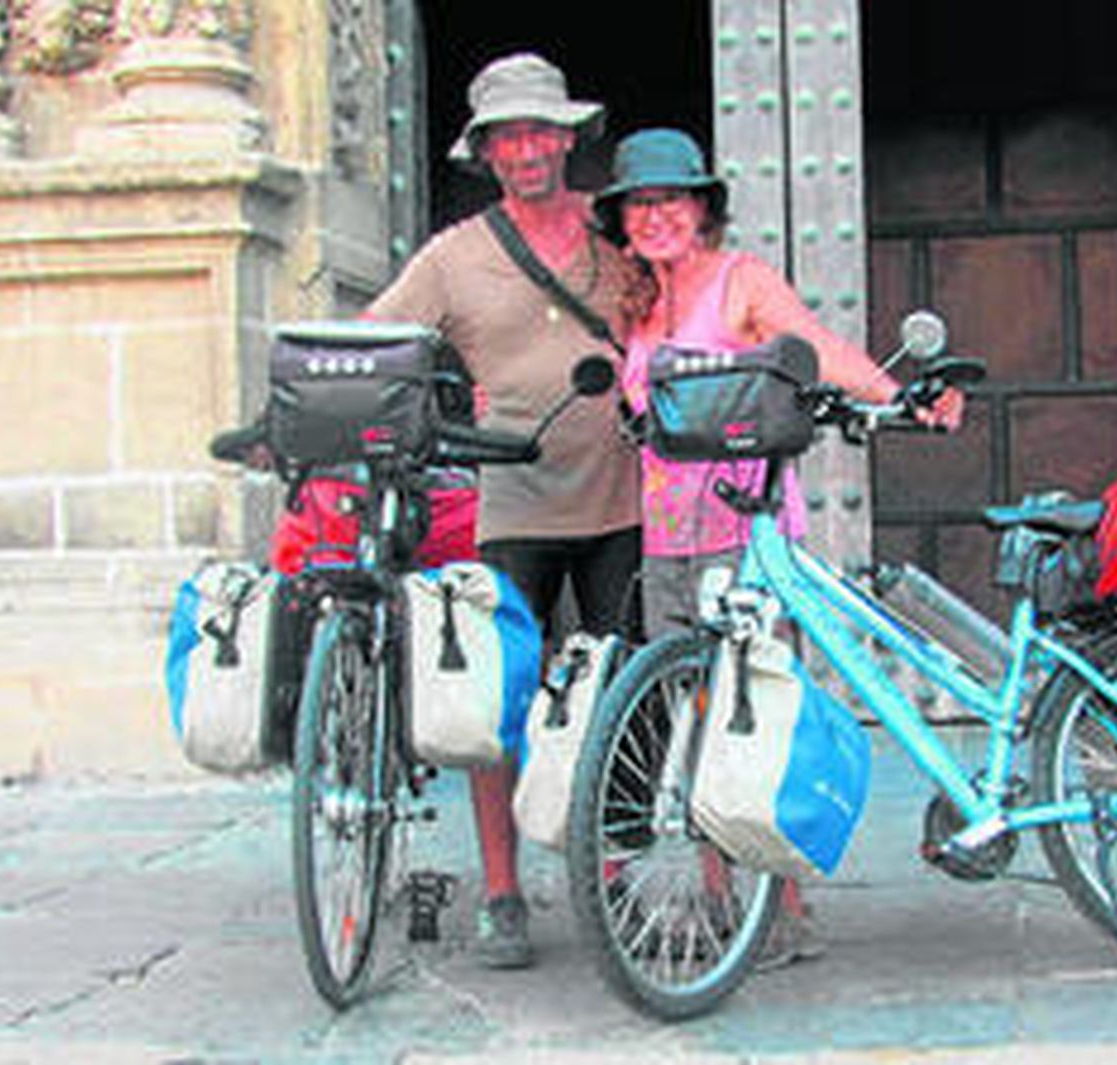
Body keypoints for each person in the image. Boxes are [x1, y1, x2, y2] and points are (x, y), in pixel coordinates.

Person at [594, 128, 962, 968]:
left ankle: (790, 909)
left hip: (743, 534)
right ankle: (728, 906)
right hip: (667, 539)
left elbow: (814, 349)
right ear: (623, 220)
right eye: (640, 204)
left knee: (755, 722)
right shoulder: (637, 307)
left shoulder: (741, 282)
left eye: (672, 200)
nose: (656, 216)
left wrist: (900, 394)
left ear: (702, 209)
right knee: (695, 729)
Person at [364, 52, 642, 969]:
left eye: (540, 129)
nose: (527, 148)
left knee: (613, 696)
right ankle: (501, 887)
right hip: (512, 507)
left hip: (623, 498)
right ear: (486, 151)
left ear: (567, 136)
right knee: (497, 702)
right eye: (507, 135)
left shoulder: (617, 238)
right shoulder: (454, 255)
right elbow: (375, 342)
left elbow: (679, 316)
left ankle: (604, 873)